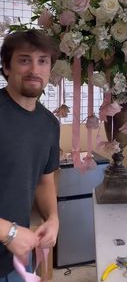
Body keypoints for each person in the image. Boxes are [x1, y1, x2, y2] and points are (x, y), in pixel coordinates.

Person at [0, 29, 61, 281]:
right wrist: (8, 232)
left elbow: (43, 181)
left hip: (15, 260)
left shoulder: (49, 124)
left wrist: (53, 218)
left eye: (42, 61)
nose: (34, 69)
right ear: (6, 67)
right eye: (24, 60)